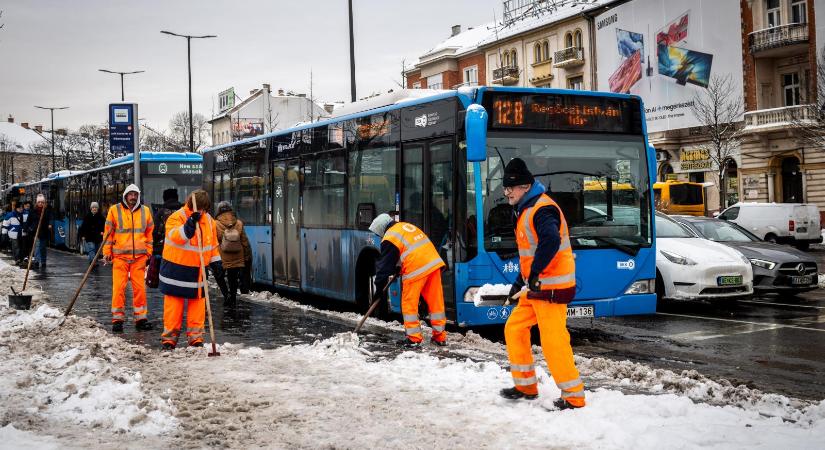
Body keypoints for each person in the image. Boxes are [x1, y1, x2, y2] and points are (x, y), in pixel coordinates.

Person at [497, 158, 585, 410]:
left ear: (525, 186)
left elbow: (550, 241)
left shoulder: (543, 209)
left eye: (510, 188)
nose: (507, 193)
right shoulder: (526, 209)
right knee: (514, 329)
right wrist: (518, 282)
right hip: (536, 287)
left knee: (553, 341)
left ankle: (574, 396)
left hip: (552, 289)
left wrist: (535, 273)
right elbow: (529, 253)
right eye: (505, 189)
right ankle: (525, 386)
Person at [369, 213, 447, 348]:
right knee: (436, 303)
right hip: (433, 263)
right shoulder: (404, 226)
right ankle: (440, 337)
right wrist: (398, 268)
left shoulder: (390, 237)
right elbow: (408, 250)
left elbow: (383, 268)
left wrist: (379, 290)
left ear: (382, 229)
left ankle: (414, 339)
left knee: (409, 303)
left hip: (416, 268)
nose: (380, 236)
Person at [159, 189, 223, 350]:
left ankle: (196, 338)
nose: (202, 211)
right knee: (174, 307)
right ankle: (169, 339)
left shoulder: (209, 221)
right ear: (191, 205)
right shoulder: (177, 217)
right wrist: (189, 225)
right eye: (199, 208)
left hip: (197, 271)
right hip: (176, 270)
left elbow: (212, 244)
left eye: (205, 208)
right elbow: (176, 236)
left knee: (198, 307)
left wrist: (216, 263)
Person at [103, 185, 155, 333]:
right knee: (118, 289)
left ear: (138, 196)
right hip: (120, 258)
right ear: (126, 195)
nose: (133, 197)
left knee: (140, 289)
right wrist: (107, 252)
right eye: (130, 194)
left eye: (135, 194)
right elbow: (108, 234)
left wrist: (148, 253)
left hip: (139, 258)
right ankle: (117, 320)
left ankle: (141, 319)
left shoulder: (145, 211)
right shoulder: (114, 210)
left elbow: (150, 234)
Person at [214, 201, 252, 305]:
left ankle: (226, 295)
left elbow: (214, 241)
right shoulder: (239, 223)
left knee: (219, 275)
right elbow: (244, 241)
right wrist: (247, 256)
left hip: (222, 256)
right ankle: (233, 297)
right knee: (233, 278)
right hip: (237, 255)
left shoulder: (215, 224)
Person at [26, 195, 52, 271]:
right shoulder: (33, 211)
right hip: (35, 231)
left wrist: (50, 224)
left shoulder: (47, 210)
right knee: (37, 246)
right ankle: (37, 261)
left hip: (44, 231)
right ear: (37, 203)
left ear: (44, 203)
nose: (40, 203)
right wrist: (29, 228)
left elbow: (51, 217)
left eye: (42, 202)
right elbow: (29, 220)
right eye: (39, 202)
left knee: (43, 247)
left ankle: (43, 261)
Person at [77, 202, 105, 267]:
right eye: (93, 207)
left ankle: (92, 261)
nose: (94, 209)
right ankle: (93, 262)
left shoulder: (101, 217)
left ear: (98, 209)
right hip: (89, 236)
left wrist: (102, 231)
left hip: (98, 237)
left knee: (96, 250)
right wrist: (83, 235)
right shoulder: (87, 217)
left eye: (95, 207)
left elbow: (105, 226)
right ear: (91, 209)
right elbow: (83, 227)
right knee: (91, 248)